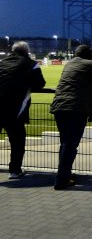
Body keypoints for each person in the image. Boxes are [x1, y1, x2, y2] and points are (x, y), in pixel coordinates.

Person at [50, 45, 92, 190]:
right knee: (70, 145)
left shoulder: (69, 63)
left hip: (59, 106)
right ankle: (61, 180)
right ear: (90, 55)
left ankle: (65, 174)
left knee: (65, 143)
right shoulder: (91, 65)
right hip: (76, 107)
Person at [0, 41, 46, 179]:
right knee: (17, 141)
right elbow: (40, 84)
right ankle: (14, 171)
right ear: (27, 51)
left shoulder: (1, 63)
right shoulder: (31, 64)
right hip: (14, 108)